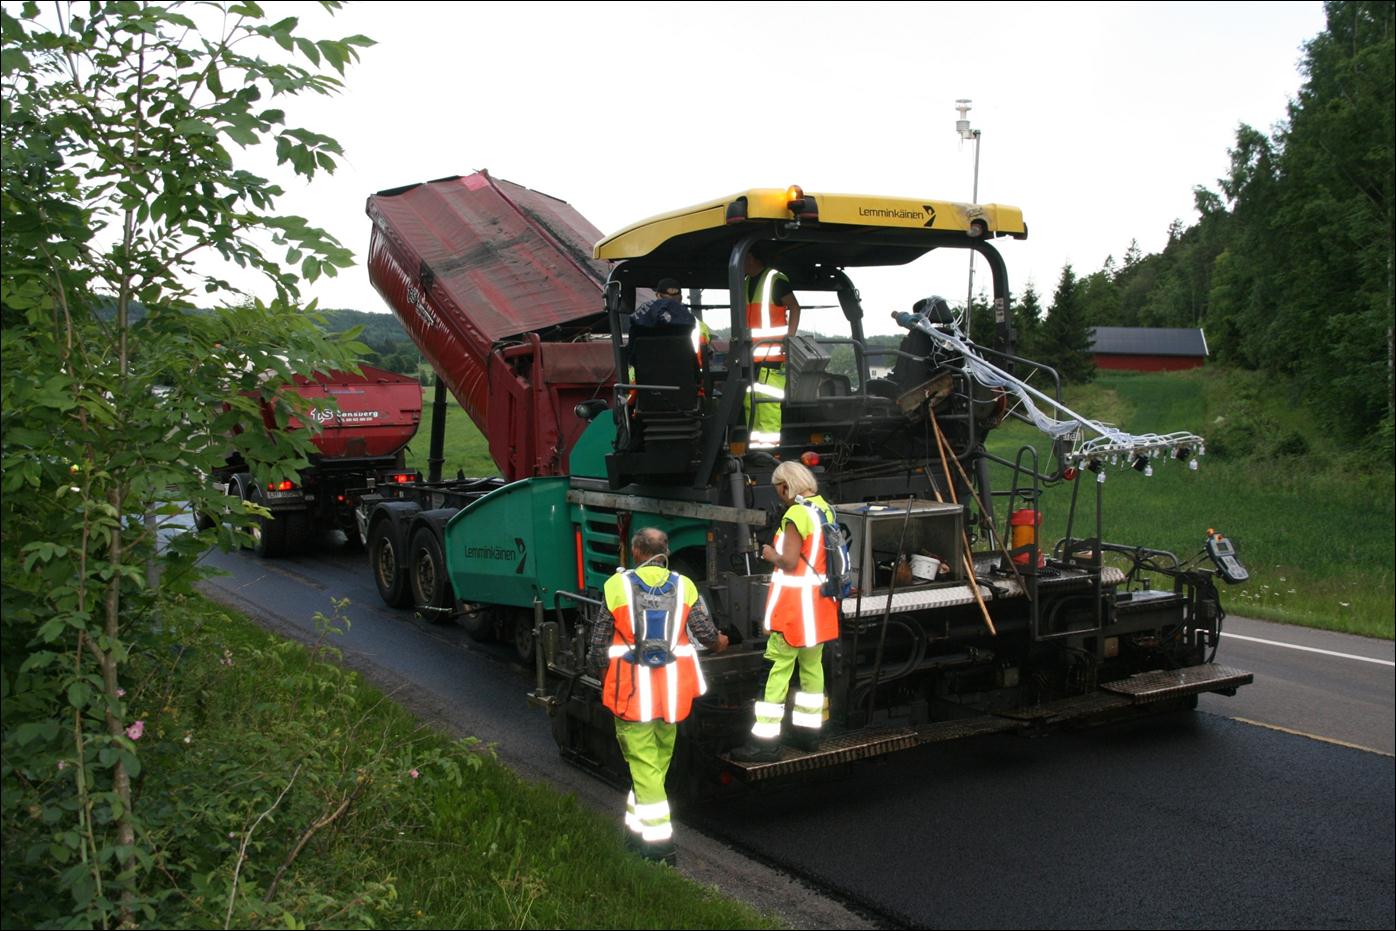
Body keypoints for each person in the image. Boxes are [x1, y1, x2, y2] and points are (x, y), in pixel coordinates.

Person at [586, 527, 728, 864]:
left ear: (636, 551)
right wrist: (721, 642)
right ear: (665, 551)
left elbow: (598, 642)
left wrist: (600, 672)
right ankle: (636, 834)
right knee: (654, 767)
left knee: (646, 768)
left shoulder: (616, 586)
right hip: (672, 694)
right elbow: (706, 634)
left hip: (631, 693)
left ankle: (660, 847)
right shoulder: (685, 586)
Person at [731, 461, 838, 762]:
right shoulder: (824, 508)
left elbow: (789, 562)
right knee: (812, 670)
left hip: (794, 611)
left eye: (779, 488)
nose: (779, 494)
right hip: (819, 607)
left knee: (776, 672)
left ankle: (765, 744)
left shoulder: (796, 514)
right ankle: (809, 735)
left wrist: (769, 554)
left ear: (786, 485)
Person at [742, 249, 800, 447]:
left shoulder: (775, 280)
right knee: (751, 405)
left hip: (773, 357)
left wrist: (789, 339)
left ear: (750, 256)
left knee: (767, 406)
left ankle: (768, 453)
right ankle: (756, 450)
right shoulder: (745, 282)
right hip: (752, 357)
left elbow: (794, 307)